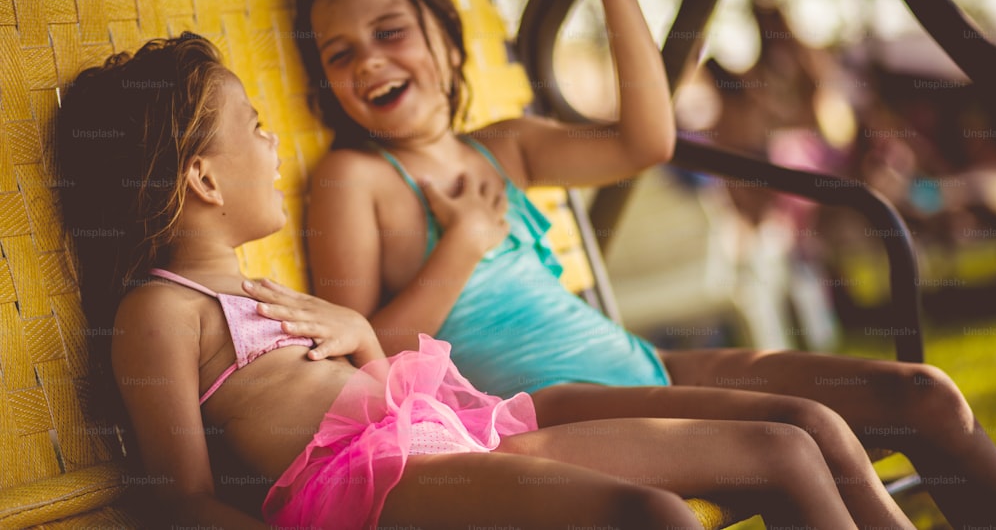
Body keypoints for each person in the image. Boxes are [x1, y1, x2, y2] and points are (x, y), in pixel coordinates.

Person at [296, 0, 996, 526]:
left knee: (923, 394)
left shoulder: (501, 145)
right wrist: (465, 242)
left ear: (447, 45)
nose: (371, 61)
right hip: (544, 409)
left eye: (389, 32)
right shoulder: (353, 178)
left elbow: (645, 141)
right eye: (340, 53)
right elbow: (362, 358)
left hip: (642, 365)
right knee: (809, 431)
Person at [56, 32, 900, 530]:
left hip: (456, 427)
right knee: (656, 517)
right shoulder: (160, 309)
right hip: (370, 484)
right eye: (256, 128)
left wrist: (353, 333)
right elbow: (180, 498)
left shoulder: (263, 289)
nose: (275, 145)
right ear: (203, 179)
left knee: (783, 447)